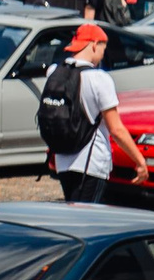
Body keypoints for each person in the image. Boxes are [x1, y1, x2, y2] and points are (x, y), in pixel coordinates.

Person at [46, 23, 146, 204]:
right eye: (103, 49)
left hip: (62, 158)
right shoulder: (99, 79)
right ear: (94, 44)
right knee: (86, 220)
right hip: (91, 162)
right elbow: (116, 129)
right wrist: (140, 161)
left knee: (72, 210)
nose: (102, 54)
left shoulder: (54, 72)